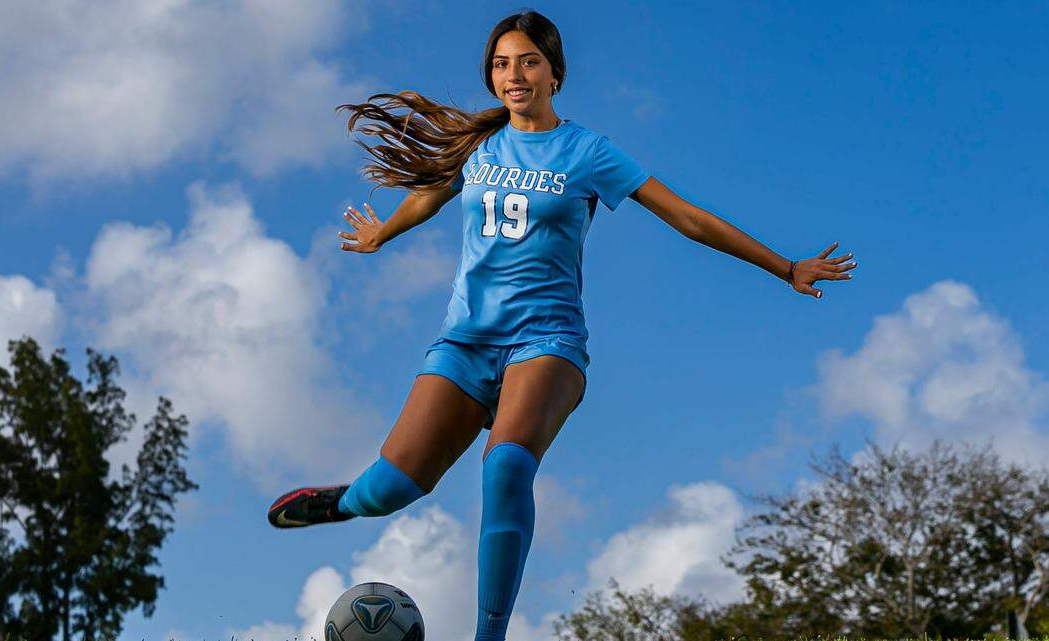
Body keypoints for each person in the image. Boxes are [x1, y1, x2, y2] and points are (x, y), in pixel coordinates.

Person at [267, 8, 856, 641]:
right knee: (387, 493)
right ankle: (340, 501)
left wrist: (784, 266)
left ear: (555, 73)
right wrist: (384, 231)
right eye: (501, 64)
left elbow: (686, 217)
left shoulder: (588, 152)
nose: (513, 75)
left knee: (506, 467)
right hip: (465, 343)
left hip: (547, 343)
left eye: (528, 61)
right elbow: (431, 193)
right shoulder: (478, 146)